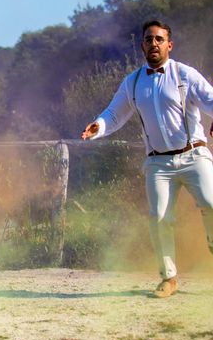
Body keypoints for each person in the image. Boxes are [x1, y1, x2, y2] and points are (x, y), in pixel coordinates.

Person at [81, 20, 213, 298]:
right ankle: (169, 278)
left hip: (193, 154)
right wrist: (98, 127)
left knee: (211, 203)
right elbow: (114, 114)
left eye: (159, 39)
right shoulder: (133, 82)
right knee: (158, 217)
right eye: (148, 39)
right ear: (142, 45)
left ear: (169, 44)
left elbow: (210, 99)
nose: (153, 44)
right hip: (158, 163)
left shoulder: (184, 74)